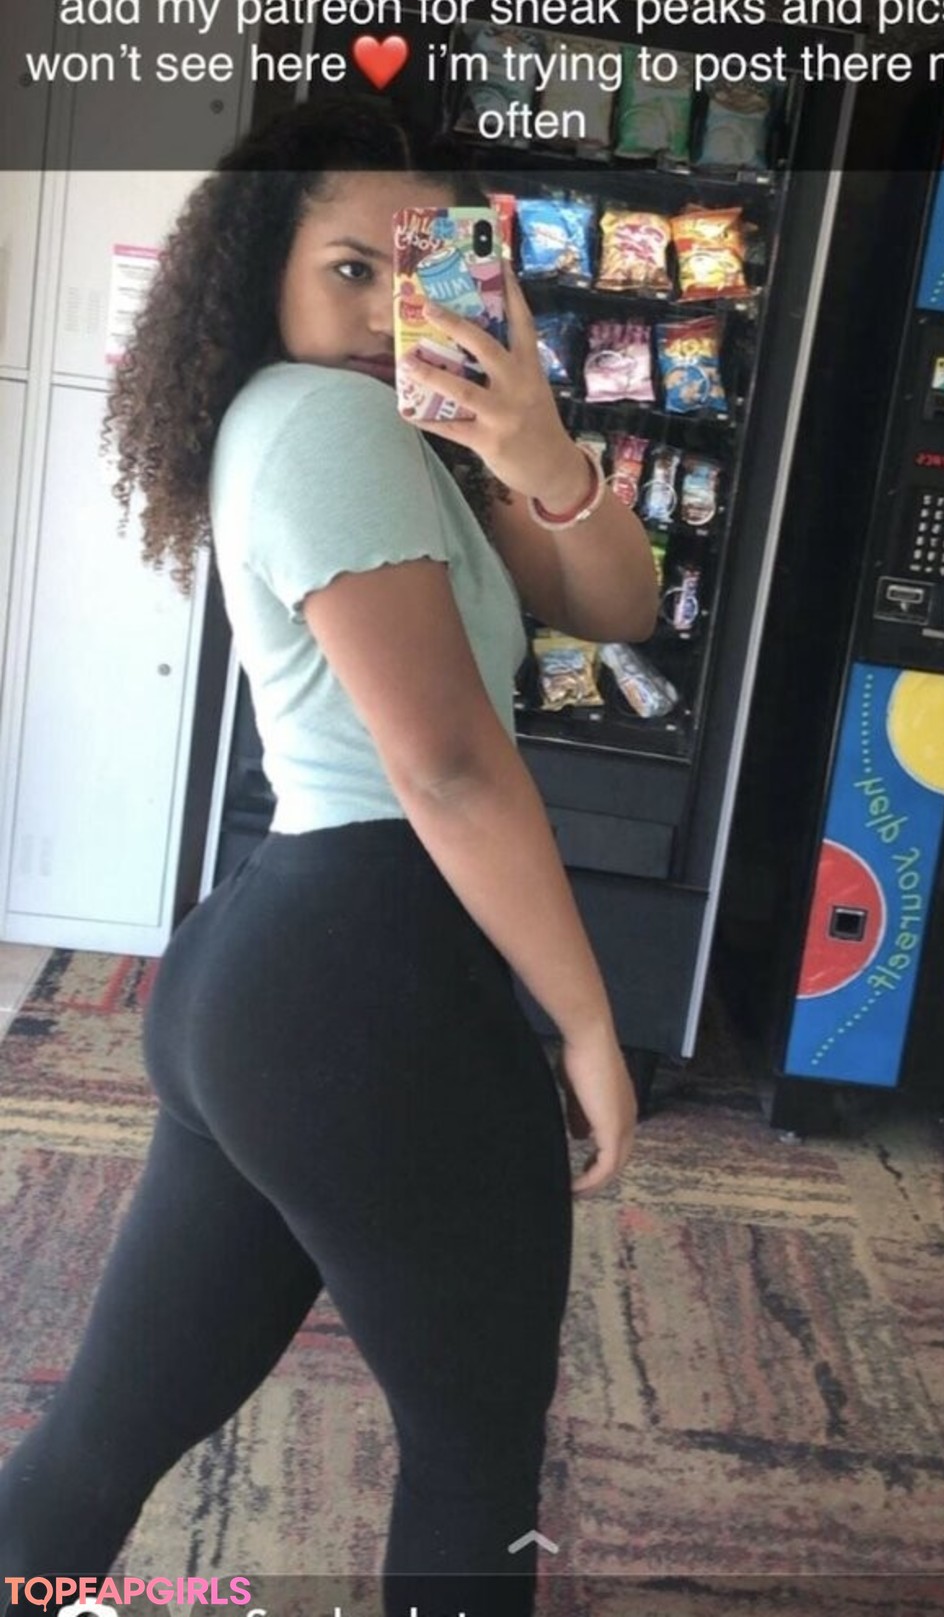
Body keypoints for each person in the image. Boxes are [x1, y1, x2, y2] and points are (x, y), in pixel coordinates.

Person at [0, 98, 658, 1615]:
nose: (377, 315)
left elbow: (615, 603)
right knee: (474, 1460)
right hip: (369, 986)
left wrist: (538, 446)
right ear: (266, 268)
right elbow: (446, 764)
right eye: (348, 269)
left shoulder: (400, 438)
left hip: (280, 983)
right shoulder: (329, 423)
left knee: (101, 1442)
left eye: (411, 274)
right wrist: (585, 1020)